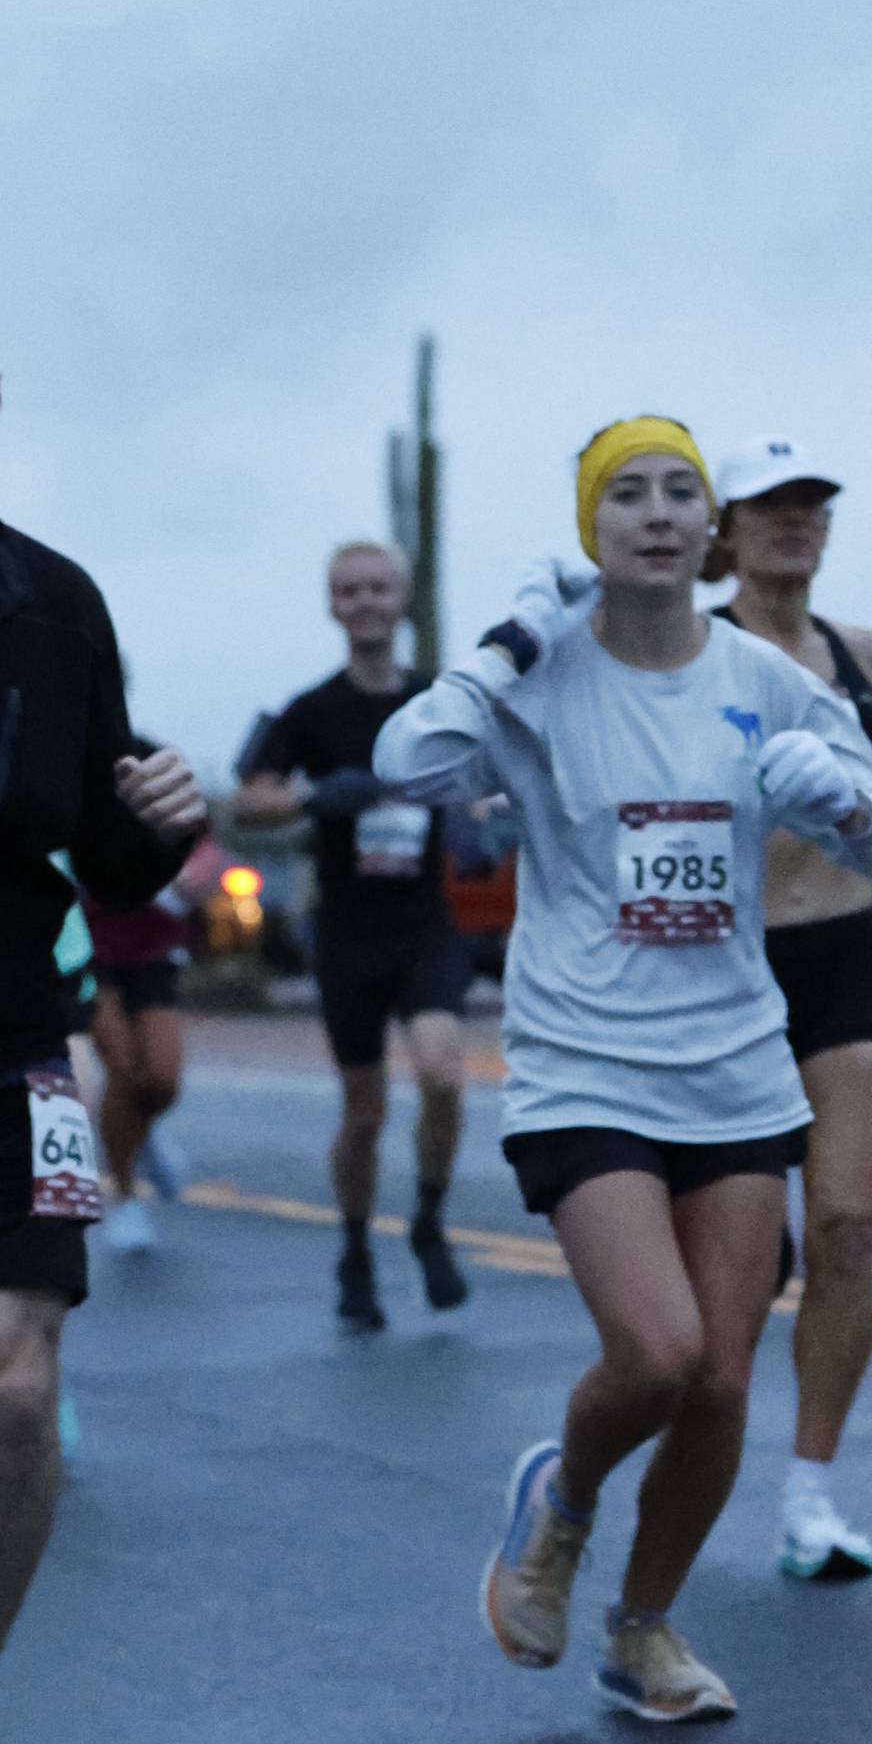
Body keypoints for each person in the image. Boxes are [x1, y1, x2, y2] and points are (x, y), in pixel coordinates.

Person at [373, 417, 872, 1721]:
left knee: (722, 1382)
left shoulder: (764, 679)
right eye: (628, 493)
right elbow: (408, 764)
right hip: (584, 1062)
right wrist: (507, 642)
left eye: (683, 490)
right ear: (592, 528)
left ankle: (642, 1632)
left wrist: (843, 799)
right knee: (658, 1353)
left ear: (709, 528)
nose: (662, 512)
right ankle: (562, 1504)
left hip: (732, 1067)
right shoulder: (546, 674)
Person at [0, 291, 206, 1744]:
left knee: (18, 1395)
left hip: (4, 1051)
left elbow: (108, 858)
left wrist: (160, 819)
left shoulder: (55, 603)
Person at [707, 435, 872, 1580]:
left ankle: (810, 1498)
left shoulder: (867, 655)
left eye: (811, 502)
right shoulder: (691, 652)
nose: (793, 520)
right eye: (769, 504)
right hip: (721, 969)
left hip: (846, 954)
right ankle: (694, 1465)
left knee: (848, 1226)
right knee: (738, 1263)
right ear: (725, 528)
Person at [236, 543, 477, 1328]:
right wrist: (313, 797)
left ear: (403, 598)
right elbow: (249, 798)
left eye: (378, 587)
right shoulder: (311, 710)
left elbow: (488, 774)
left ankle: (429, 1220)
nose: (366, 601)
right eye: (349, 590)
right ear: (333, 605)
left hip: (424, 927)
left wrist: (483, 822)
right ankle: (354, 1250)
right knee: (365, 1112)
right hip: (347, 934)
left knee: (444, 1074)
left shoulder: (438, 700)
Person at [81, 814, 218, 1252]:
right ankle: (125, 1198)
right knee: (122, 1069)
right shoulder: (72, 781)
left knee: (161, 1080)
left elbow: (204, 842)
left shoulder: (157, 778)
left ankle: (142, 1133)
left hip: (154, 946)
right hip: (87, 944)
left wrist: (197, 871)